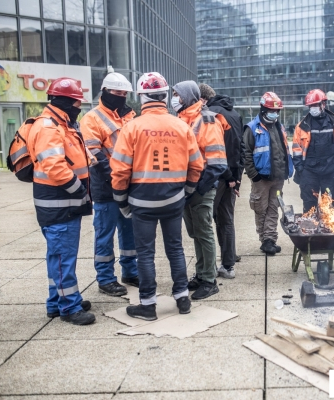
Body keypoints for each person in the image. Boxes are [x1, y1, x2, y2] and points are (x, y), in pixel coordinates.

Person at [111, 72, 204, 320]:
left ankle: (148, 305)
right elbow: (197, 166)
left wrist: (121, 201)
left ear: (141, 97)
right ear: (164, 96)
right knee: (175, 249)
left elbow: (119, 170)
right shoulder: (181, 126)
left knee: (145, 253)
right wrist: (186, 192)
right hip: (174, 199)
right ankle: (182, 297)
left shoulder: (131, 127)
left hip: (141, 202)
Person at [28, 78, 95, 325]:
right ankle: (69, 307)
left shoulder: (61, 123)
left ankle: (57, 301)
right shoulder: (49, 127)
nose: (79, 106)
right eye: (77, 101)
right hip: (59, 204)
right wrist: (80, 190)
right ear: (67, 101)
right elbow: (55, 166)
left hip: (60, 204)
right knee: (62, 258)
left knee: (58, 256)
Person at [80, 71, 138, 297]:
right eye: (116, 92)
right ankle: (105, 278)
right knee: (105, 234)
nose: (121, 96)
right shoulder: (91, 119)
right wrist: (117, 181)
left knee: (129, 232)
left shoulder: (130, 117)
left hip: (129, 186)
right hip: (106, 187)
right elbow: (94, 155)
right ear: (104, 92)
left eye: (124, 93)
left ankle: (130, 272)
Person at [173, 80, 228, 300]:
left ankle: (209, 280)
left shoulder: (207, 120)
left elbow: (217, 163)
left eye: (177, 94)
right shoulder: (182, 119)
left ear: (187, 96)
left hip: (201, 187)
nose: (174, 98)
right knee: (195, 232)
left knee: (204, 232)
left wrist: (197, 188)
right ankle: (201, 272)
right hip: (187, 187)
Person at [200, 83, 246, 279]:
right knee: (226, 220)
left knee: (203, 222)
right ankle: (228, 265)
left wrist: (227, 176)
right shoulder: (234, 114)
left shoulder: (209, 115)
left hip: (215, 176)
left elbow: (217, 151)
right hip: (231, 176)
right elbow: (240, 149)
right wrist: (236, 178)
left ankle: (206, 269)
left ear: (201, 99)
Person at [244, 92, 294, 255]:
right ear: (263, 109)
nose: (276, 113)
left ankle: (270, 239)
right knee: (261, 209)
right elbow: (246, 153)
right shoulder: (252, 128)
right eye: (273, 110)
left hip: (278, 177)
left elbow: (283, 150)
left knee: (274, 208)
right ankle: (264, 238)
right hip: (261, 179)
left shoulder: (279, 127)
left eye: (278, 111)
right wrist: (254, 175)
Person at [292, 89, 334, 212]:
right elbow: (296, 149)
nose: (313, 108)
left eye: (315, 105)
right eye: (311, 106)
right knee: (309, 206)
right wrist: (301, 170)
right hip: (310, 171)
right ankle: (309, 229)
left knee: (328, 207)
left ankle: (327, 229)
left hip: (331, 171)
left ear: (323, 104)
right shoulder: (301, 126)